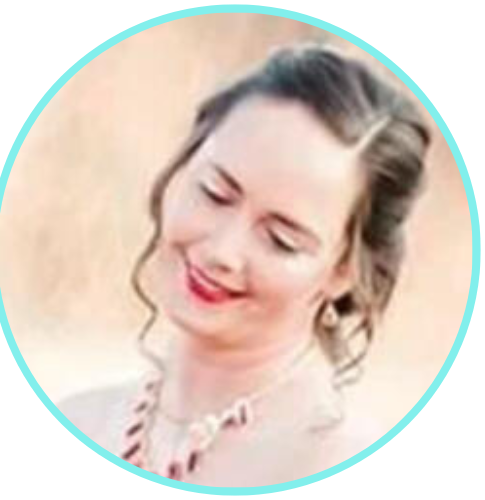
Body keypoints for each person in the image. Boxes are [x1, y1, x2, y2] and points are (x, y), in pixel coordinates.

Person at [58, 42, 431, 487]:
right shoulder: (81, 420)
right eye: (214, 194)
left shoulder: (336, 459)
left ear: (344, 272)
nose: (222, 251)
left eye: (281, 240)